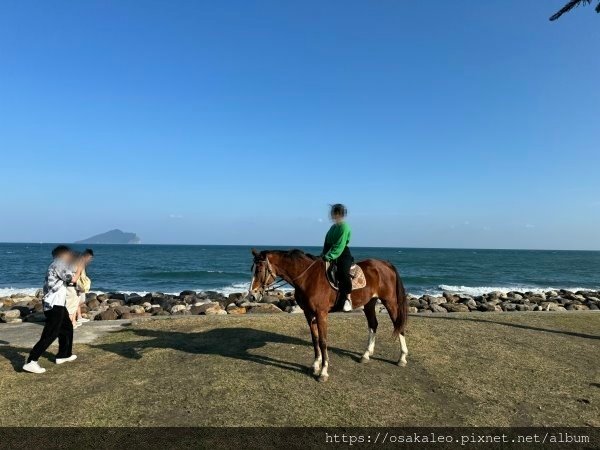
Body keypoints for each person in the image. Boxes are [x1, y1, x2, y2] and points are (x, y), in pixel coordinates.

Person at [23, 245, 83, 374]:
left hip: (58, 304)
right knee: (51, 333)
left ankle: (64, 355)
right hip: (53, 304)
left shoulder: (57, 264)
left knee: (66, 328)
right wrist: (79, 270)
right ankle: (32, 361)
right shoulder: (59, 264)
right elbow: (71, 279)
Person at [321, 204, 354, 312]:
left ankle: (348, 299)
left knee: (343, 273)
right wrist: (323, 255)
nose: (332, 216)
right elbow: (327, 243)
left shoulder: (344, 227)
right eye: (332, 214)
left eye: (334, 214)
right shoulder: (333, 228)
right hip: (331, 254)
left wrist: (329, 256)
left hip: (343, 253)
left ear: (340, 214)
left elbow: (340, 245)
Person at [75, 249, 94, 324]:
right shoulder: (80, 262)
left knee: (79, 301)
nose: (90, 260)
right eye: (90, 258)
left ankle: (79, 317)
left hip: (80, 284)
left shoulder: (82, 262)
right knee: (80, 301)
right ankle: (75, 317)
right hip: (79, 285)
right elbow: (79, 274)